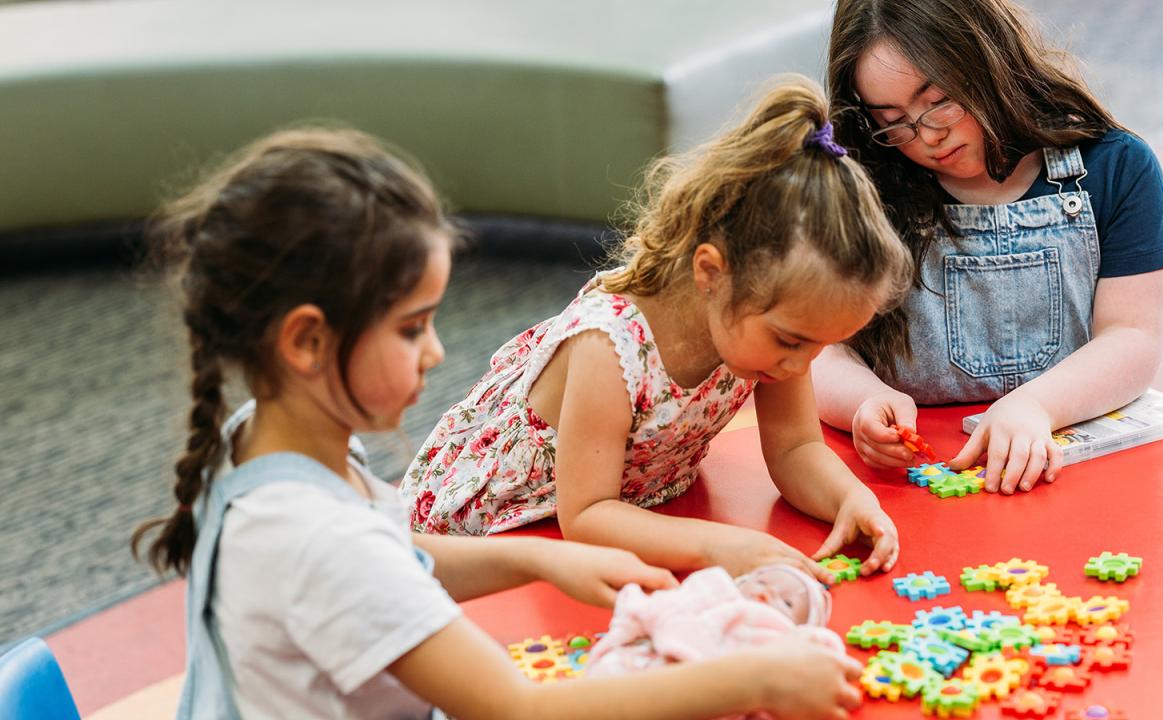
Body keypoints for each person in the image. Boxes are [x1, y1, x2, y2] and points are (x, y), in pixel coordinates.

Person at [130, 127, 865, 719]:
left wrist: (538, 560)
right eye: (412, 328)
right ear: (305, 341)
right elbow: (517, 709)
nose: (438, 352)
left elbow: (398, 554)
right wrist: (756, 682)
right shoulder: (319, 543)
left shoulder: (261, 438)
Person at [401, 76, 914, 582]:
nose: (801, 365)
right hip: (499, 532)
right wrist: (720, 546)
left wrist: (852, 498)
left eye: (818, 347)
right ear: (712, 273)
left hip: (621, 515)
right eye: (792, 341)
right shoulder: (609, 344)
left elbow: (795, 449)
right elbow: (587, 514)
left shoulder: (767, 331)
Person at [816, 0, 1163, 493]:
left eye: (939, 101)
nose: (927, 136)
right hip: (911, 476)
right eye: (893, 121)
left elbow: (1132, 337)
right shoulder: (860, 183)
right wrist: (862, 403)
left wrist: (1036, 405)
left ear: (989, 59)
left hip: (1067, 460)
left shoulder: (1115, 166)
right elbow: (819, 350)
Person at [587, 564, 845, 683]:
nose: (767, 594)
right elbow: (661, 606)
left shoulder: (774, 635)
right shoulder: (709, 598)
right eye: (763, 582)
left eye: (787, 604)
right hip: (635, 671)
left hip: (700, 686)